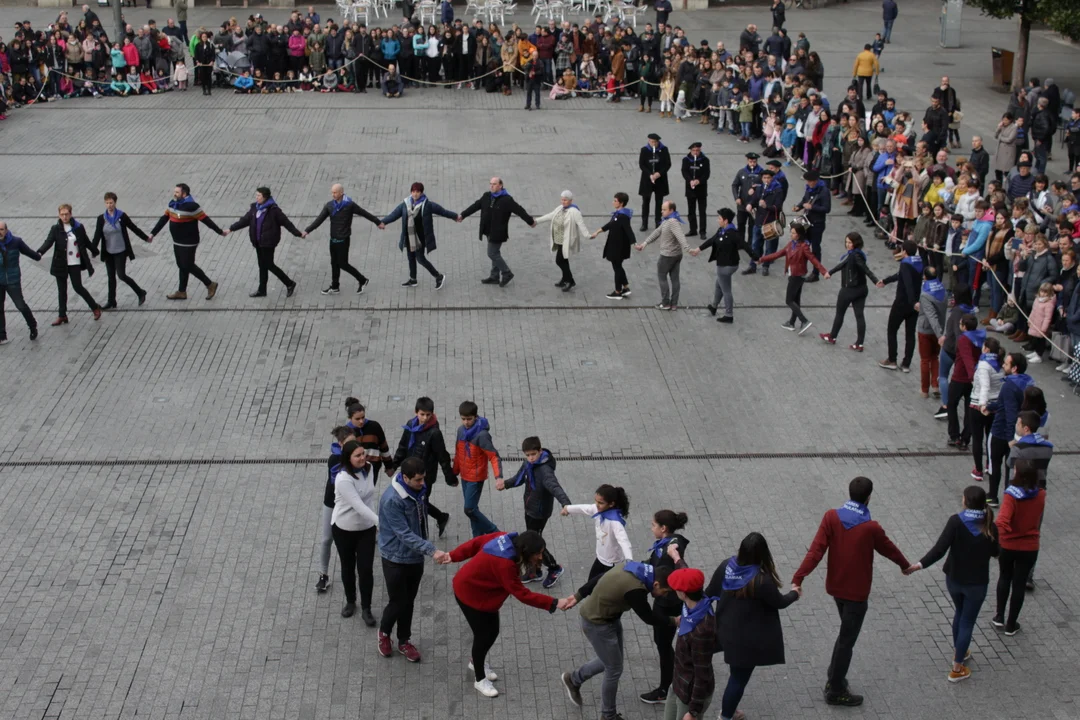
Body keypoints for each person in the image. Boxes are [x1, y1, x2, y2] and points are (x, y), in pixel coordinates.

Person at [792, 476, 910, 707]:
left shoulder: (831, 517)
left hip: (836, 588)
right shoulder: (871, 528)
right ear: (869, 498)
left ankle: (834, 676)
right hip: (857, 594)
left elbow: (816, 551)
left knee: (845, 633)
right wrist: (905, 566)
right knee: (847, 640)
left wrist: (799, 578)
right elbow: (890, 549)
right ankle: (836, 689)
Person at [444, 530, 566, 698]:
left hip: (479, 593)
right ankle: (479, 679)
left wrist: (453, 555)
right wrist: (554, 602)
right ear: (525, 551)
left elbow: (477, 542)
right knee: (483, 637)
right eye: (537, 554)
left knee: (492, 632)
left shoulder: (504, 538)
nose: (540, 557)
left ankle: (476, 662)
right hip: (470, 595)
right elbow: (522, 594)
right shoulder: (505, 565)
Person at [560, 559, 680, 720]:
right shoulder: (636, 589)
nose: (664, 595)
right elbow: (648, 617)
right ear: (656, 584)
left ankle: (574, 679)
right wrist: (674, 621)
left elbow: (601, 576)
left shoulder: (637, 568)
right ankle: (608, 715)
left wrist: (579, 595)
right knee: (614, 668)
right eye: (665, 591)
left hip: (609, 620)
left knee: (611, 662)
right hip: (598, 624)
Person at [905, 486, 998, 682]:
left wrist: (919, 565)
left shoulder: (956, 522)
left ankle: (960, 651)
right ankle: (957, 667)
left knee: (960, 613)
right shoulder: (990, 525)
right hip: (977, 584)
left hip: (954, 580)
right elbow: (996, 552)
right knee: (967, 621)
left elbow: (939, 550)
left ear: (966, 502)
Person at [706, 533, 800, 720]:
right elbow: (779, 602)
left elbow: (709, 593)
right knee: (738, 679)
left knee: (735, 674)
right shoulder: (762, 580)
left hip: (726, 631)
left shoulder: (726, 566)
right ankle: (726, 716)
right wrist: (794, 593)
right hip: (747, 642)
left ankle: (730, 711)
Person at [376, 456, 451, 662]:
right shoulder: (392, 500)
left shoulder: (419, 490)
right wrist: (431, 550)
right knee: (398, 601)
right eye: (418, 479)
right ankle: (384, 633)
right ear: (405, 477)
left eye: (423, 478)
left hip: (414, 557)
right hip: (395, 557)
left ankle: (404, 640)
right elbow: (404, 534)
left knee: (408, 600)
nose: (422, 483)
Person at [497, 436, 572, 588]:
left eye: (533, 454)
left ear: (540, 451)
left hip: (539, 512)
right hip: (530, 508)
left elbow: (555, 487)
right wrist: (506, 484)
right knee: (533, 540)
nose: (531, 458)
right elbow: (520, 478)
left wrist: (566, 504)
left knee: (534, 543)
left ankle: (554, 568)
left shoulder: (544, 471)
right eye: (528, 455)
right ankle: (535, 571)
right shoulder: (528, 464)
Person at [637, 510, 691, 705]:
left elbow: (660, 572)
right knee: (663, 642)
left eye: (654, 525)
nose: (651, 528)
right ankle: (676, 674)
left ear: (663, 528)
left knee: (663, 643)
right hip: (669, 601)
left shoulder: (669, 550)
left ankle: (665, 689)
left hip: (667, 603)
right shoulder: (667, 544)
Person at [389, 397, 458, 538]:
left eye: (428, 415)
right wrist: (394, 465)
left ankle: (422, 536)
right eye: (422, 414)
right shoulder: (410, 425)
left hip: (424, 477)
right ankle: (441, 517)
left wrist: (450, 478)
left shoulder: (434, 433)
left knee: (419, 505)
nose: (425, 418)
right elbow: (403, 446)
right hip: (409, 472)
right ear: (416, 412)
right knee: (418, 502)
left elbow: (442, 456)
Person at [993, 460, 1044, 636]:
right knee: (1019, 584)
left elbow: (1002, 521)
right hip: (1030, 546)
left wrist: (999, 537)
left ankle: (999, 616)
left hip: (1008, 545)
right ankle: (1011, 624)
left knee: (1004, 577)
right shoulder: (1041, 494)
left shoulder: (1011, 495)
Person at [332, 439, 381, 624]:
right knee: (348, 566)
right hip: (344, 529)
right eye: (357, 455)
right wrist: (380, 522)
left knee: (366, 569)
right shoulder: (343, 478)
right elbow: (358, 505)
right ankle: (351, 601)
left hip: (366, 529)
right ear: (348, 458)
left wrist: (374, 522)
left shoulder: (369, 468)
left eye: (363, 454)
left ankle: (366, 608)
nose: (362, 458)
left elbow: (368, 498)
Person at [148, 184, 224, 301]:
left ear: (184, 194)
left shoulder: (192, 206)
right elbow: (164, 218)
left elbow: (206, 220)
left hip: (189, 241)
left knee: (188, 265)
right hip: (177, 240)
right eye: (174, 192)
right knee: (181, 265)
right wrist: (153, 233)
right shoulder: (173, 203)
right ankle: (182, 292)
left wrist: (220, 231)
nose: (174, 194)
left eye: (177, 192)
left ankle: (210, 284)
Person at [225, 187, 302, 298]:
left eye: (259, 195)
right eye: (256, 195)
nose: (256, 197)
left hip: (268, 242)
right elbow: (245, 220)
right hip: (258, 242)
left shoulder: (274, 210)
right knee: (262, 265)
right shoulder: (254, 208)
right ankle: (262, 290)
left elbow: (286, 223)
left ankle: (289, 283)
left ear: (265, 197)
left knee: (269, 264)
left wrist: (298, 233)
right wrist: (231, 229)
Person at [305, 184, 381, 295]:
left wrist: (378, 222)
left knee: (343, 264)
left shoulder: (349, 205)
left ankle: (362, 280)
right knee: (334, 263)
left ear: (341, 192)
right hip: (333, 240)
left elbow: (364, 213)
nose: (333, 194)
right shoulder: (329, 206)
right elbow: (319, 220)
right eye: (332, 192)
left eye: (335, 192)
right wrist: (307, 230)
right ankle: (335, 286)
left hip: (343, 241)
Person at [459, 177, 536, 288]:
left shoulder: (507, 200)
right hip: (488, 231)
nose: (491, 186)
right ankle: (494, 276)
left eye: (494, 184)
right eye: (490, 184)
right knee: (495, 253)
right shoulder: (487, 196)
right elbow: (475, 206)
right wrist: (463, 215)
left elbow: (519, 210)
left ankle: (506, 272)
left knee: (492, 253)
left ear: (500, 185)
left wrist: (530, 221)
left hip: (498, 232)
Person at [379, 182, 457, 289]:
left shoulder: (427, 205)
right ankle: (413, 279)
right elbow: (394, 214)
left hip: (420, 238)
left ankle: (438, 276)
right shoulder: (405, 204)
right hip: (409, 236)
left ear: (421, 193)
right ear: (411, 192)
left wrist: (455, 216)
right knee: (410, 257)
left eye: (417, 192)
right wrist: (383, 222)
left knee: (420, 259)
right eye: (413, 191)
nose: (415, 194)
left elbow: (442, 211)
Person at [662, 567, 717, 720]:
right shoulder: (695, 605)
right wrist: (676, 558)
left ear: (683, 593)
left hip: (690, 695)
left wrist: (693, 712)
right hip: (678, 683)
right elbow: (688, 576)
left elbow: (702, 672)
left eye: (676, 588)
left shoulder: (702, 631)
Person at [37, 204, 102, 326]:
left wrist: (95, 251)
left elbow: (86, 241)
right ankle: (62, 315)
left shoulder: (78, 227)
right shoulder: (56, 229)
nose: (64, 217)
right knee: (62, 290)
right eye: (62, 214)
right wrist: (40, 252)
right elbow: (48, 242)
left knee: (78, 287)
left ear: (71, 214)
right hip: (60, 263)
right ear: (59, 215)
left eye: (66, 214)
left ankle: (95, 307)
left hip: (74, 262)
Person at [758, 222, 828, 334]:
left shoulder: (804, 247)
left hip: (797, 276)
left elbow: (813, 259)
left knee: (789, 300)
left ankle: (804, 321)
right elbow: (778, 254)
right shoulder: (791, 244)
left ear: (799, 235)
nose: (791, 234)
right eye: (791, 232)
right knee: (796, 300)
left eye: (793, 233)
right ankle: (791, 322)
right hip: (796, 275)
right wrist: (762, 259)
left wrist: (823, 272)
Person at [985, 353, 1032, 507]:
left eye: (1006, 364)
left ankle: (992, 496)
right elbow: (1006, 404)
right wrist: (991, 407)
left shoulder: (1009, 386)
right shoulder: (1027, 382)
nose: (1003, 366)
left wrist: (1010, 437)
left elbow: (1010, 412)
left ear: (1014, 368)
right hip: (1017, 433)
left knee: (995, 464)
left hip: (1001, 432)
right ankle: (1008, 496)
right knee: (1010, 467)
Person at [452, 401, 503, 538]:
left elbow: (494, 456)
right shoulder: (461, 431)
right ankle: (478, 538)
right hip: (464, 476)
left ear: (475, 416)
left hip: (476, 478)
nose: (466, 422)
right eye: (463, 419)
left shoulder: (482, 435)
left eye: (469, 419)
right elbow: (458, 453)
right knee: (473, 509)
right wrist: (454, 473)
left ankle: (495, 533)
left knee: (469, 509)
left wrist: (498, 477)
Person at [635, 201, 698, 310]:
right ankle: (674, 304)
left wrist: (688, 249)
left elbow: (680, 236)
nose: (661, 211)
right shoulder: (668, 220)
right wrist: (645, 243)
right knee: (675, 279)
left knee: (662, 276)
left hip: (667, 255)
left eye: (664, 210)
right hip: (677, 254)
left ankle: (665, 303)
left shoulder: (672, 222)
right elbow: (657, 232)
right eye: (662, 209)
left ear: (671, 210)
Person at [91, 192, 150, 309]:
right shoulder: (101, 219)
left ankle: (140, 292)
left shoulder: (122, 216)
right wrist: (93, 249)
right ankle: (111, 301)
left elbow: (133, 228)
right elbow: (97, 235)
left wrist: (145, 238)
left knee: (121, 275)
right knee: (111, 277)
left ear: (115, 202)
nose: (109, 205)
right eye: (107, 203)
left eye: (111, 203)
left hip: (121, 251)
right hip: (108, 252)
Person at [821, 232, 879, 351]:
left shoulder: (853, 255)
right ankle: (859, 344)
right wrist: (875, 281)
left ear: (855, 243)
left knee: (840, 313)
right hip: (862, 289)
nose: (847, 244)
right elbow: (847, 266)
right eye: (846, 242)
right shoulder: (859, 254)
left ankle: (832, 336)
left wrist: (829, 273)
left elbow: (862, 269)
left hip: (849, 289)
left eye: (850, 242)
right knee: (859, 316)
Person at [563, 484, 633, 580]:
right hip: (600, 558)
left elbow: (624, 541)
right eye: (595, 501)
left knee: (601, 587)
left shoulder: (615, 522)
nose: (596, 504)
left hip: (611, 563)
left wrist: (629, 560)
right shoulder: (599, 509)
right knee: (591, 583)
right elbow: (585, 508)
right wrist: (567, 509)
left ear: (611, 504)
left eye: (600, 502)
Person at [698, 208, 755, 324]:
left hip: (726, 266)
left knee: (726, 290)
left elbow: (745, 245)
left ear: (726, 221)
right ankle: (714, 307)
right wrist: (699, 249)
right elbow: (712, 240)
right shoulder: (722, 230)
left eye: (719, 218)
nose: (717, 220)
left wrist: (756, 257)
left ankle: (729, 315)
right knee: (718, 284)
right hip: (727, 264)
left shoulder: (732, 233)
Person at [316, 425, 355, 594]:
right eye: (348, 443)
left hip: (351, 503)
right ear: (340, 443)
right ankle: (323, 575)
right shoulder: (335, 460)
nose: (352, 446)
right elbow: (338, 483)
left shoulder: (358, 456)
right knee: (327, 539)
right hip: (332, 503)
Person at [876, 240, 922, 372]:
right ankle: (906, 364)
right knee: (910, 333)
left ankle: (892, 359)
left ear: (904, 251)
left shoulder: (905, 264)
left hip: (902, 303)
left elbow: (907, 283)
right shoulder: (919, 262)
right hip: (915, 305)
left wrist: (912, 301)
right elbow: (899, 275)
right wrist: (885, 281)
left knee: (892, 329)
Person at [536, 190, 591, 292]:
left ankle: (570, 280)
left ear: (570, 200)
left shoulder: (574, 211)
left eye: (565, 200)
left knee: (559, 260)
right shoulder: (560, 208)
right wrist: (536, 221)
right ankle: (565, 279)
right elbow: (550, 215)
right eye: (562, 199)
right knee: (563, 260)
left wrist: (588, 236)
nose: (563, 202)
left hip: (566, 240)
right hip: (558, 239)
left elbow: (581, 224)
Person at [0, 222, 41, 344]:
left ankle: (32, 325)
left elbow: (29, 252)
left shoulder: (16, 242)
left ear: (6, 230)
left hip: (13, 280)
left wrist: (38, 256)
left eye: (1, 229)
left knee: (20, 305)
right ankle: (2, 336)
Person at [947, 314, 983, 451]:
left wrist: (971, 376)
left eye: (960, 323)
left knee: (951, 404)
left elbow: (967, 359)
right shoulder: (980, 337)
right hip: (973, 378)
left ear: (964, 326)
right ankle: (965, 438)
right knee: (969, 409)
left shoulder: (964, 339)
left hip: (961, 377)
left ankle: (955, 436)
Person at [590, 192, 636, 299]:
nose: (613, 202)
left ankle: (617, 291)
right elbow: (610, 225)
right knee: (618, 266)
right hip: (616, 245)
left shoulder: (622, 216)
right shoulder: (618, 214)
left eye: (615, 201)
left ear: (621, 203)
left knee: (617, 267)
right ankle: (625, 287)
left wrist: (634, 243)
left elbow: (629, 230)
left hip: (618, 247)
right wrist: (597, 232)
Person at [915, 266, 947, 398]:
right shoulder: (942, 289)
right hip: (939, 328)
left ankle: (924, 389)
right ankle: (935, 385)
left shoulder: (926, 294)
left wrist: (939, 336)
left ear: (925, 277)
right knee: (934, 358)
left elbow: (931, 315)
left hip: (926, 330)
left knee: (925, 360)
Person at [796, 170, 831, 281]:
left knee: (815, 249)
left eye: (809, 181)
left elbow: (827, 208)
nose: (807, 183)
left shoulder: (824, 191)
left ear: (815, 181)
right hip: (807, 221)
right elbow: (804, 200)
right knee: (803, 246)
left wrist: (812, 207)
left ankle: (816, 273)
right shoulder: (809, 188)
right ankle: (802, 269)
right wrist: (799, 206)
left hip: (817, 223)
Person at [639, 134, 673, 231]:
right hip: (647, 180)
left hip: (660, 180)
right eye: (651, 142)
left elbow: (667, 164)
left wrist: (659, 173)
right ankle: (644, 223)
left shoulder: (664, 149)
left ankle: (658, 222)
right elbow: (642, 164)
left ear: (658, 142)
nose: (653, 144)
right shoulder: (644, 150)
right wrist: (650, 174)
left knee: (659, 202)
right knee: (645, 202)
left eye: (655, 142)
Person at [731, 152, 763, 252]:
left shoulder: (761, 173)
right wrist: (736, 197)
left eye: (754, 161)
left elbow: (764, 187)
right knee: (741, 224)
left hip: (755, 206)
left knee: (752, 225)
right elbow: (734, 185)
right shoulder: (742, 172)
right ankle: (740, 243)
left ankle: (750, 244)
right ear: (747, 161)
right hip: (742, 204)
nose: (752, 163)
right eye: (750, 161)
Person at [681, 143, 710, 238]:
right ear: (690, 151)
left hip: (701, 189)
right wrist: (690, 180)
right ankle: (693, 229)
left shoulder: (705, 160)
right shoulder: (686, 160)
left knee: (702, 211)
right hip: (690, 189)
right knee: (691, 211)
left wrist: (699, 181)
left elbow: (706, 174)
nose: (696, 152)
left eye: (697, 150)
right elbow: (684, 171)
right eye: (694, 150)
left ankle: (702, 231)